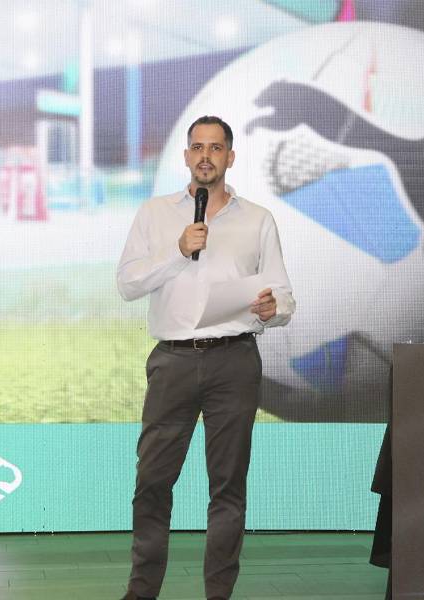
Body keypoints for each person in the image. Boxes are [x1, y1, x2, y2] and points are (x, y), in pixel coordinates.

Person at [117, 115, 296, 600]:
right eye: (197, 146)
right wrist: (177, 251)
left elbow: (283, 296)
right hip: (172, 361)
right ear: (185, 157)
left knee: (228, 486)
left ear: (230, 158)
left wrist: (272, 308)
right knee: (152, 480)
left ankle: (219, 593)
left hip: (234, 360)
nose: (205, 156)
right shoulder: (155, 214)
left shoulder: (257, 219)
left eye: (215, 148)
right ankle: (141, 591)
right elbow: (128, 284)